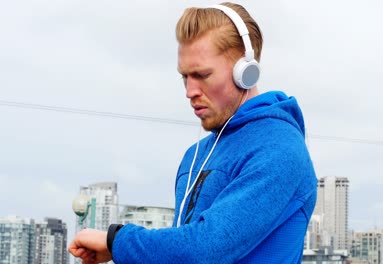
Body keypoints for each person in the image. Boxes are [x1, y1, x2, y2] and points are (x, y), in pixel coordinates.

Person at [68, 2, 317, 263]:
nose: (190, 91)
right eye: (185, 77)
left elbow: (205, 249)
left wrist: (116, 239)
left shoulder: (280, 149)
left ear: (246, 72)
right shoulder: (195, 154)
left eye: (201, 75)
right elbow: (184, 243)